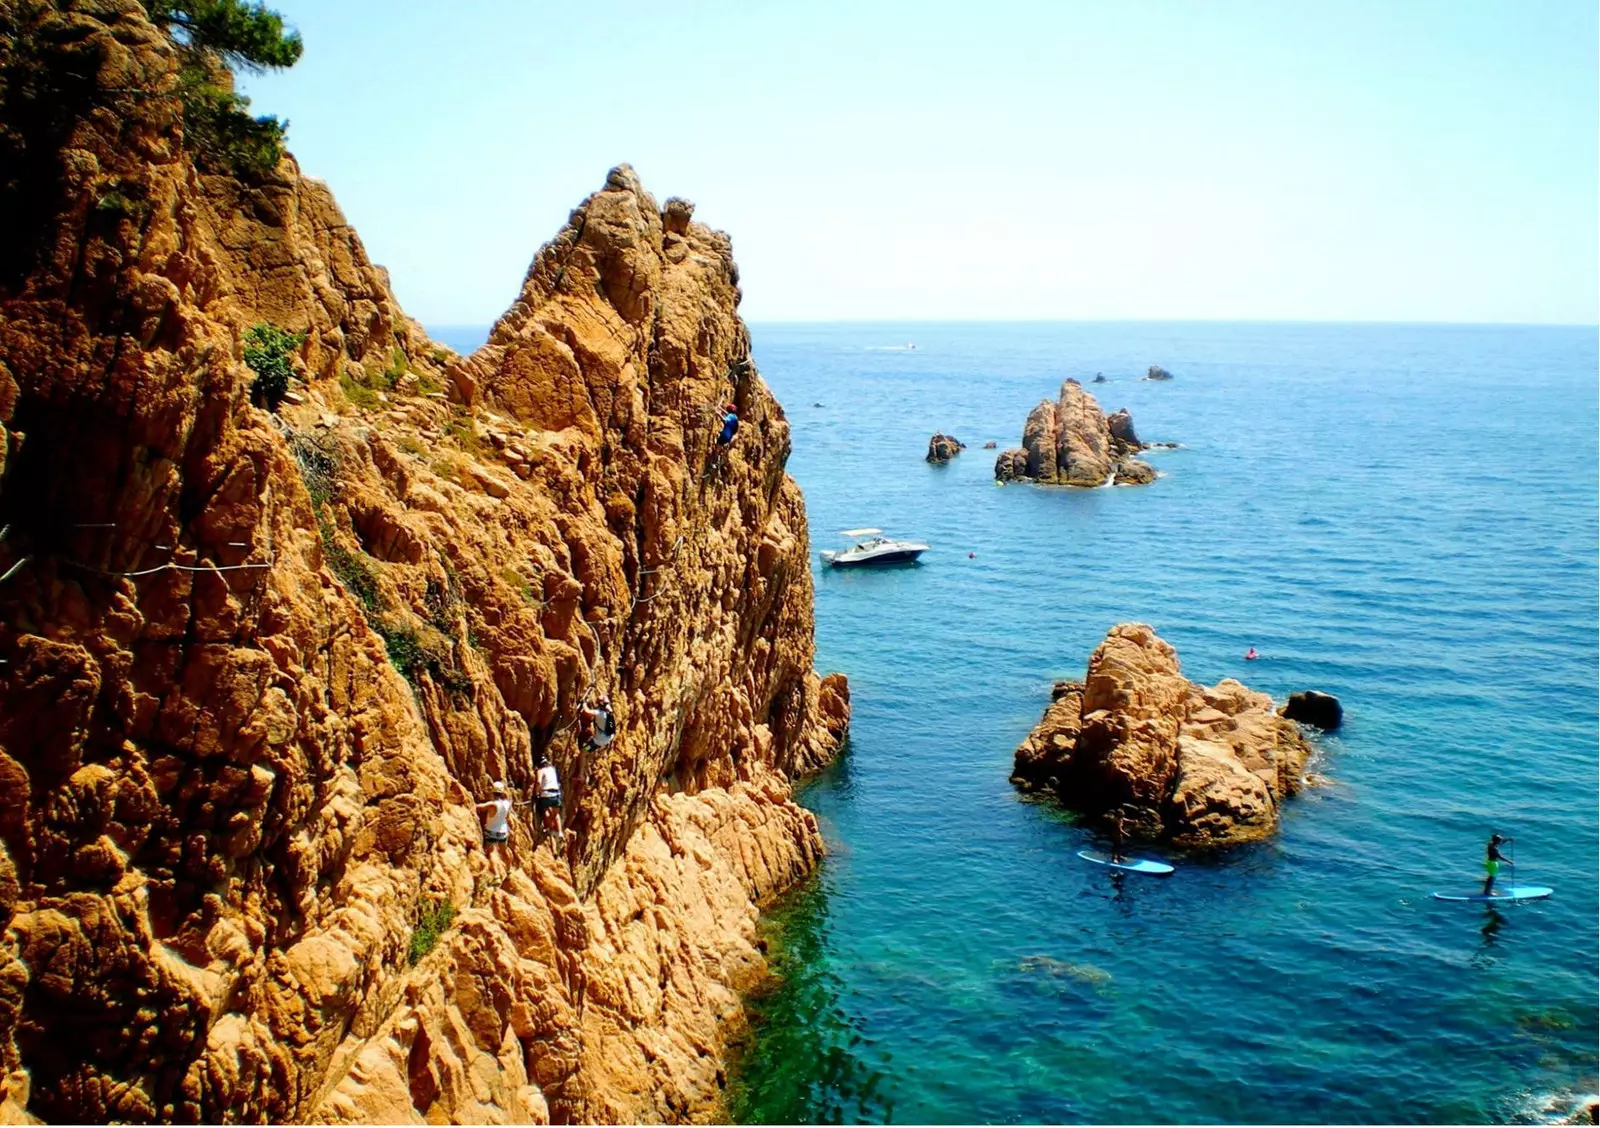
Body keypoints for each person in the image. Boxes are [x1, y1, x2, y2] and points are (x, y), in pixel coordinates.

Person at [476, 781, 513, 848]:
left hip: (491, 833)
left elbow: (479, 807)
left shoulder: (492, 804)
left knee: (489, 853)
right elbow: (507, 817)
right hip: (503, 833)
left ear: (492, 792)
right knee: (502, 853)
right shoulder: (507, 803)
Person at [535, 755, 564, 841]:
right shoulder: (552, 769)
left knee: (546, 811)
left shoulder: (540, 771)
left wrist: (536, 793)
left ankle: (550, 828)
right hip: (556, 793)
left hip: (546, 793)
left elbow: (538, 782)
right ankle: (560, 832)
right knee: (556, 813)